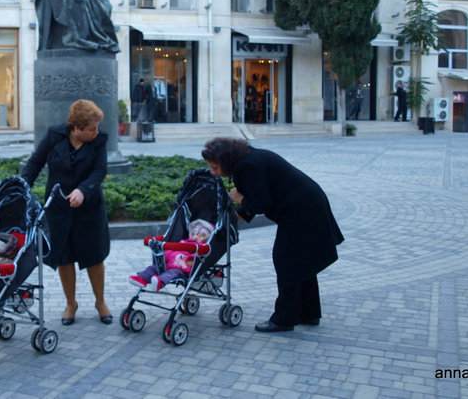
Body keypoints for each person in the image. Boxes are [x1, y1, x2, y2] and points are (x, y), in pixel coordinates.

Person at [201, 137, 344, 333]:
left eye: (215, 167)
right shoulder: (248, 158)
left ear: (226, 161)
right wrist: (238, 215)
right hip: (307, 203)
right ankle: (309, 313)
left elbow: (261, 203)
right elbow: (260, 197)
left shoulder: (246, 166)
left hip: (301, 209)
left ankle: (284, 319)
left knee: (286, 260)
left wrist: (240, 198)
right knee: (301, 261)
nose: (213, 172)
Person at [21, 99, 113, 326]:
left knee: (94, 257)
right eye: (92, 129)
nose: (96, 131)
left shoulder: (99, 141)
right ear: (76, 128)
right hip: (59, 209)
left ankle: (100, 302)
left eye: (97, 127)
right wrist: (20, 189)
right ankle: (70, 304)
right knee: (64, 257)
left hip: (89, 208)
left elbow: (100, 171)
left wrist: (83, 190)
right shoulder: (54, 136)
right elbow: (35, 163)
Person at [129, 219, 213, 292]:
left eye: (202, 236)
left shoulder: (201, 248)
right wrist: (163, 257)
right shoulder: (183, 242)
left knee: (172, 273)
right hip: (167, 265)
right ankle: (141, 279)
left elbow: (196, 260)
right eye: (197, 234)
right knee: (153, 268)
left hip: (180, 270)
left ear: (207, 239)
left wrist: (191, 260)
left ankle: (160, 282)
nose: (198, 237)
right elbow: (172, 250)